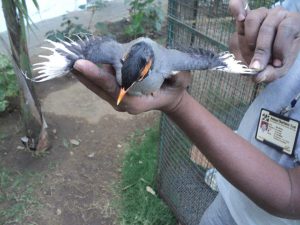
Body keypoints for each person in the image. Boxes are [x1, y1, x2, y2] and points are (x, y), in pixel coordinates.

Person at [73, 0, 300, 224]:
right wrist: (249, 44)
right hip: (229, 198)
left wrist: (176, 103)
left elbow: (291, 195)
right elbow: (238, 48)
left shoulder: (164, 66)